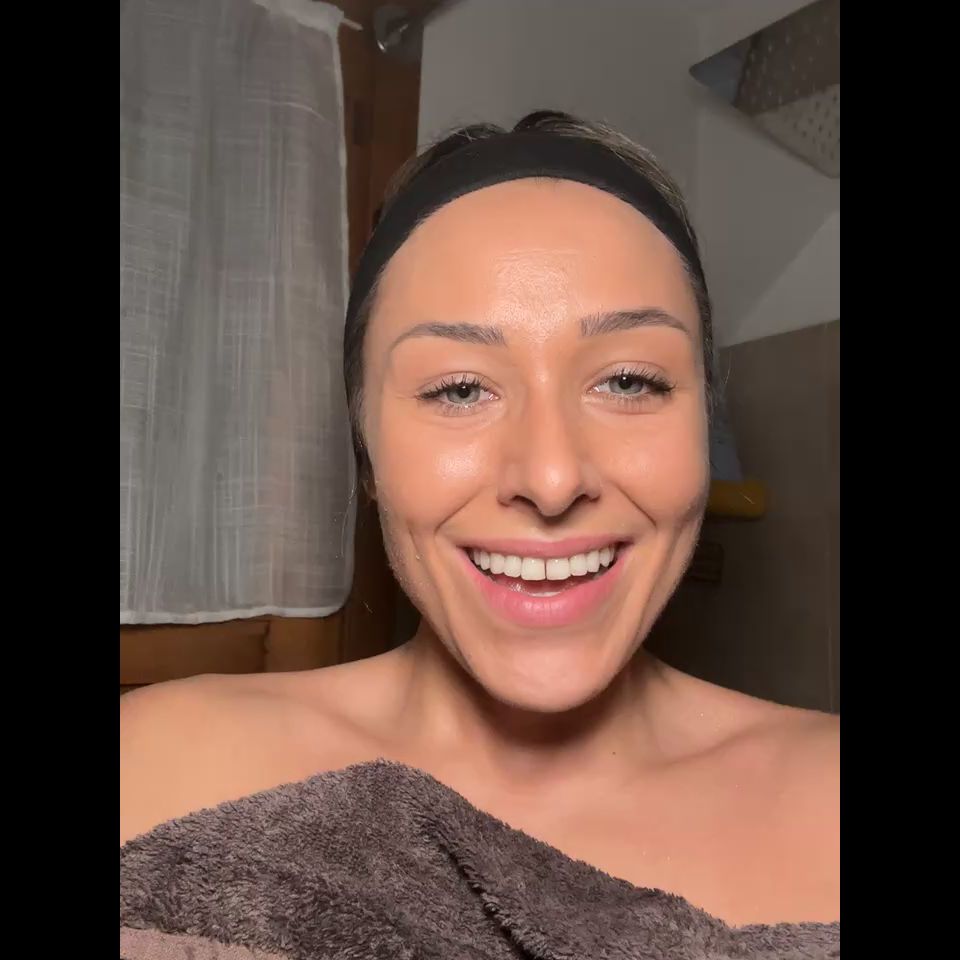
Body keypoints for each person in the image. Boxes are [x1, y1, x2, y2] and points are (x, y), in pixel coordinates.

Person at [120, 111, 839, 929]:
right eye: (460, 389)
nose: (552, 477)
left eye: (629, 381)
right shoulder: (156, 768)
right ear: (367, 450)